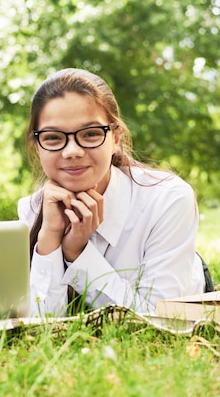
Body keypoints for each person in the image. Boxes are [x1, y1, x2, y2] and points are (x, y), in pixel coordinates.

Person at [19, 68, 207, 317]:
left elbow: (159, 321)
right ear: (37, 146)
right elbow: (40, 322)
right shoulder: (33, 208)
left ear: (115, 138)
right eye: (53, 137)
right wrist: (51, 237)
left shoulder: (168, 199)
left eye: (90, 134)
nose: (72, 151)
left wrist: (77, 253)